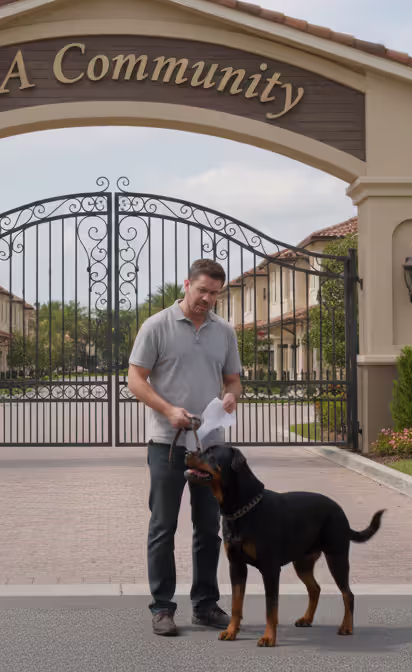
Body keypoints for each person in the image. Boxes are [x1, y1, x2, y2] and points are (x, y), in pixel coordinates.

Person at [128, 258, 243, 637]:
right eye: (202, 291)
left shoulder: (224, 332)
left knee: (209, 528)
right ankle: (162, 607)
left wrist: (230, 397)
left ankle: (206, 605)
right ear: (186, 285)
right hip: (167, 444)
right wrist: (167, 410)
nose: (207, 299)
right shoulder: (157, 326)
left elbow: (233, 380)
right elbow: (135, 380)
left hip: (210, 447)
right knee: (163, 526)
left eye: (214, 294)